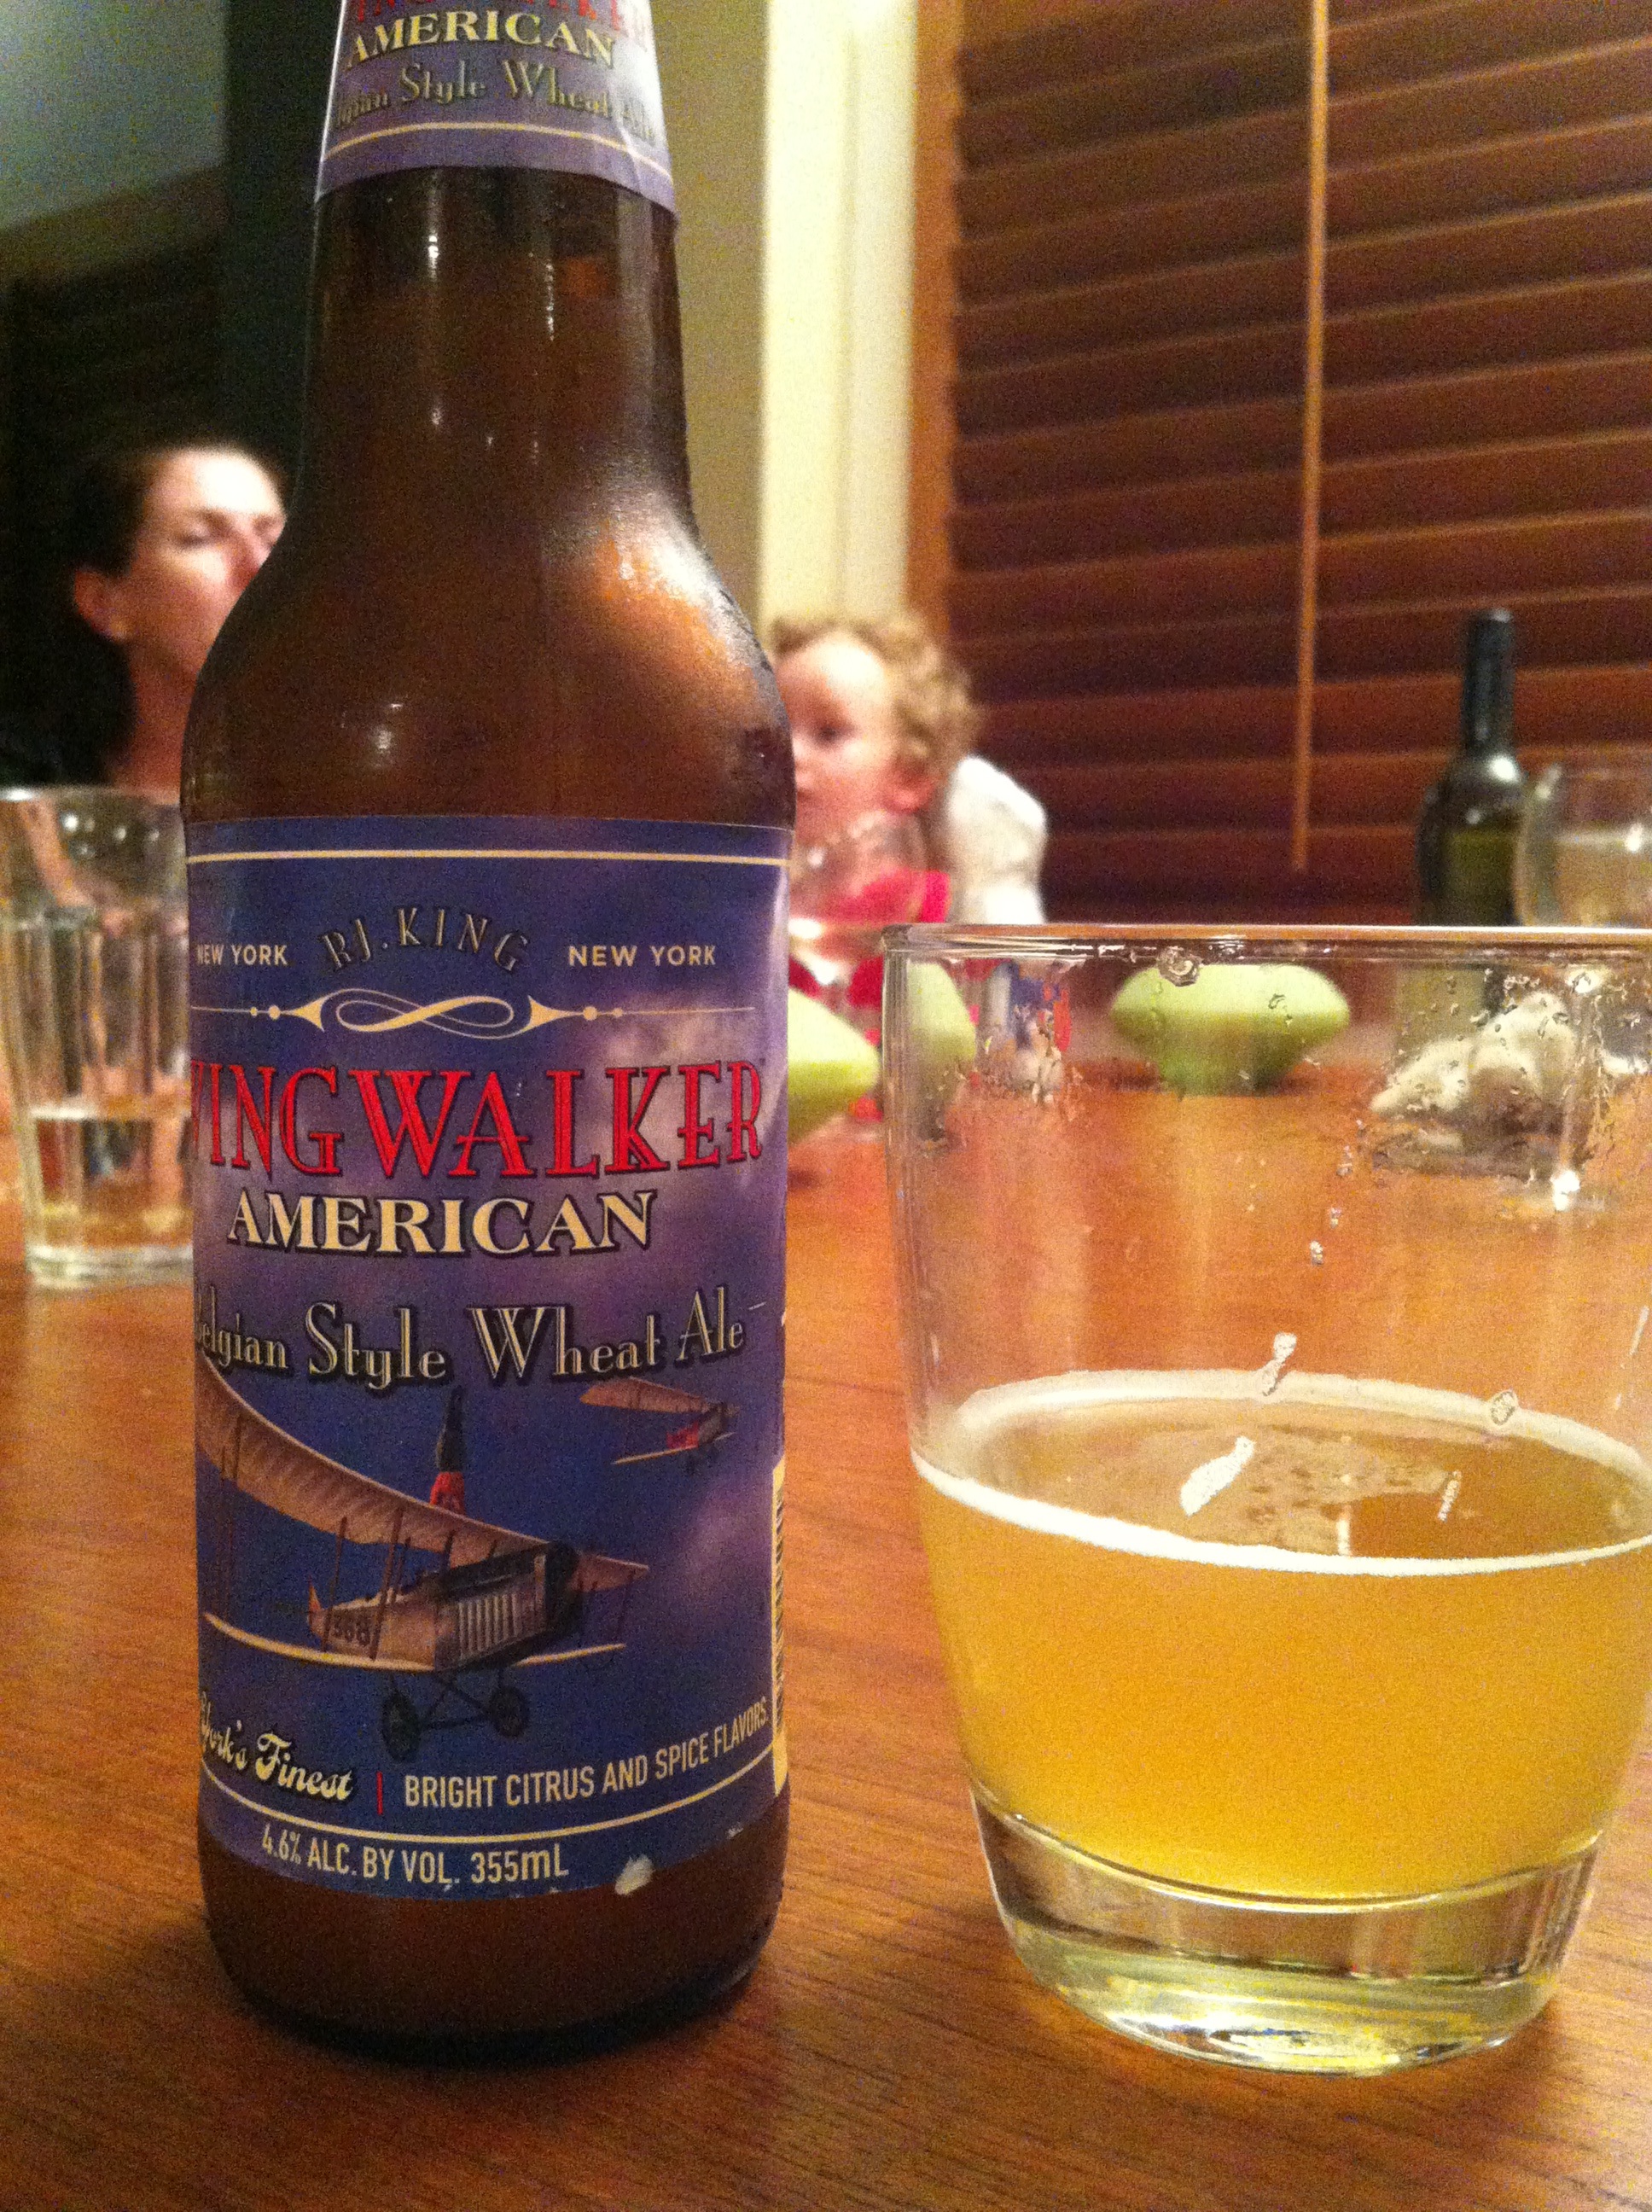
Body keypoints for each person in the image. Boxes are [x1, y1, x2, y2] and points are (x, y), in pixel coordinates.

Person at [31, 440, 286, 795]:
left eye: (275, 540)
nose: (261, 566)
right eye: (200, 539)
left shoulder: (350, 784)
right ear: (103, 603)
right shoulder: (27, 789)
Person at [773, 612, 1046, 934]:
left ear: (909, 776)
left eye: (828, 733)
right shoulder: (757, 894)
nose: (787, 751)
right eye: (775, 728)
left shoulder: (923, 906)